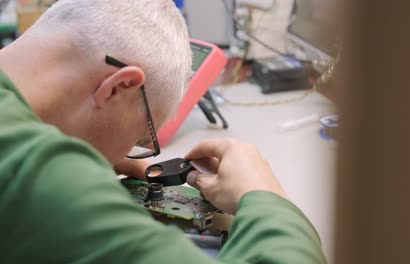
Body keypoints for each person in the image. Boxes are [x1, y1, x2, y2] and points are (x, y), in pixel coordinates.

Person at [0, 0, 326, 263]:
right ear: (119, 87)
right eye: (141, 140)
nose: (125, 158)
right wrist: (266, 197)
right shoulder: (38, 173)